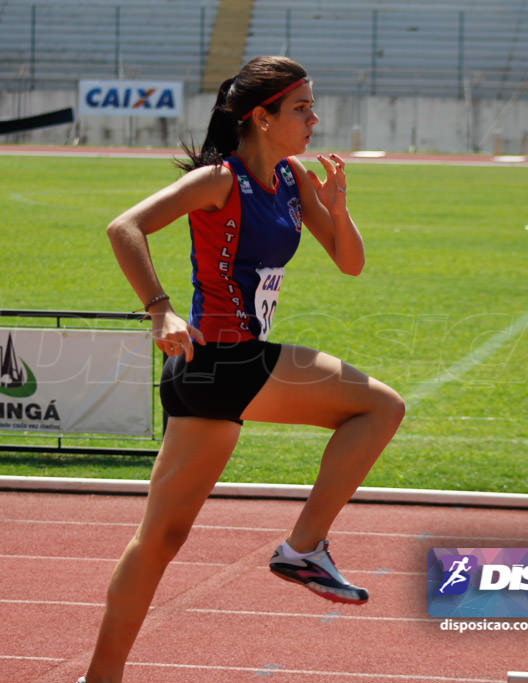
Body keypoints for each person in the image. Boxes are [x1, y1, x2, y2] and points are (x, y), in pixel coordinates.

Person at [76, 55, 405, 683]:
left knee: (159, 542)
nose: (315, 119)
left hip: (208, 375)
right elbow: (126, 227)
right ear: (261, 116)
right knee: (380, 406)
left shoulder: (291, 180)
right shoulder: (219, 181)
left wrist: (338, 207)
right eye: (302, 108)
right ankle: (303, 548)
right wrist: (160, 312)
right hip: (224, 358)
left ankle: (101, 677)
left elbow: (350, 261)